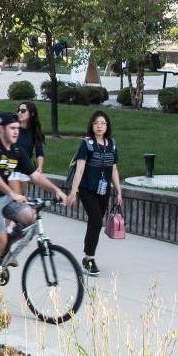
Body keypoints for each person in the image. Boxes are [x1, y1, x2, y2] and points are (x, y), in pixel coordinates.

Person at [0, 112, 72, 287]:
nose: (16, 131)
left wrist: (57, 191)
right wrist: (12, 193)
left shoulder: (16, 151)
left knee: (29, 217)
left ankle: (2, 251)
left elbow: (35, 176)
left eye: (17, 128)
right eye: (12, 128)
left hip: (2, 196)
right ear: (1, 129)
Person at [65, 111, 123, 277]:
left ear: (107, 126)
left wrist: (119, 191)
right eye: (96, 123)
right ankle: (89, 258)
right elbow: (80, 169)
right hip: (87, 188)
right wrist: (73, 192)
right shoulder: (87, 144)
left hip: (104, 190)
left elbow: (114, 168)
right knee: (96, 221)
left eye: (103, 123)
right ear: (91, 125)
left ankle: (87, 256)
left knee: (95, 223)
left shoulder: (111, 144)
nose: (99, 126)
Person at [12, 100, 47, 198]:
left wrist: (39, 167)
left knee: (19, 197)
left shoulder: (34, 132)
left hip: (24, 169)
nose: (19, 113)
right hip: (9, 167)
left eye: (23, 111)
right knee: (13, 197)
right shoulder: (13, 127)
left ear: (31, 114)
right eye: (18, 110)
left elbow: (39, 152)